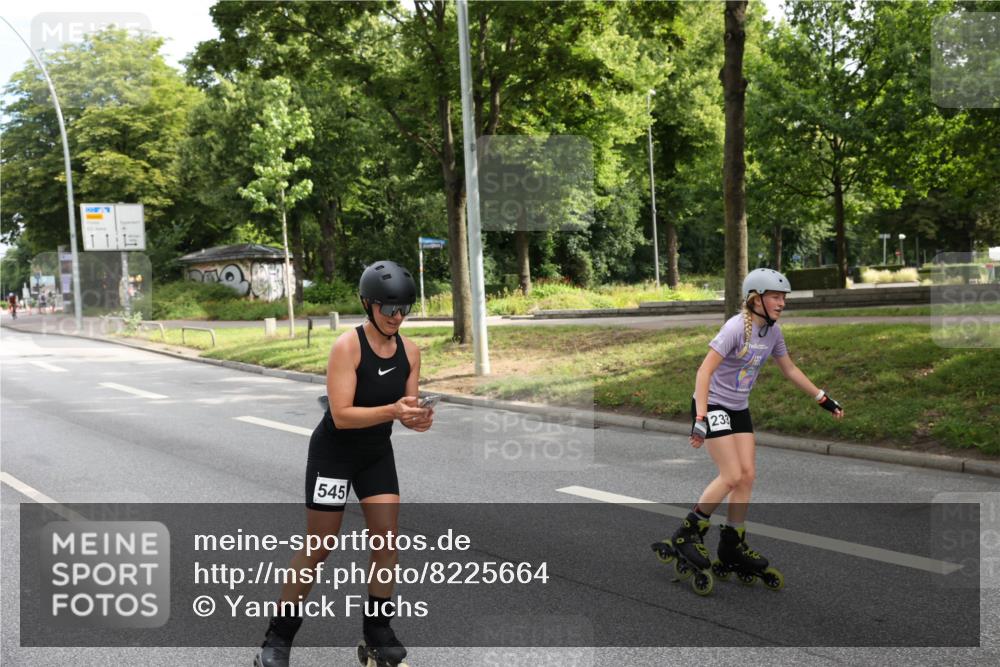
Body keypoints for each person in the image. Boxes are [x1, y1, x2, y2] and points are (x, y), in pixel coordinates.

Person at [256, 260, 432, 667]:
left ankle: (377, 632)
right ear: (368, 305)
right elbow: (342, 415)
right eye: (389, 308)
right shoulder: (347, 347)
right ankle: (277, 639)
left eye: (404, 308)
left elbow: (405, 409)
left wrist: (418, 418)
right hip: (334, 454)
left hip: (375, 453)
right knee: (319, 546)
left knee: (387, 542)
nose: (397, 316)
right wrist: (393, 411)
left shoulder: (410, 352)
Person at [654, 269, 844, 594]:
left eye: (784, 298)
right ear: (756, 299)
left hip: (738, 408)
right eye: (776, 297)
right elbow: (704, 372)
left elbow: (789, 369)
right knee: (730, 475)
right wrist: (700, 417)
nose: (782, 303)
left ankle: (732, 543)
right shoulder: (734, 328)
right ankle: (687, 533)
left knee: (747, 476)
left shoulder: (773, 333)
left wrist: (822, 398)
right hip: (713, 404)